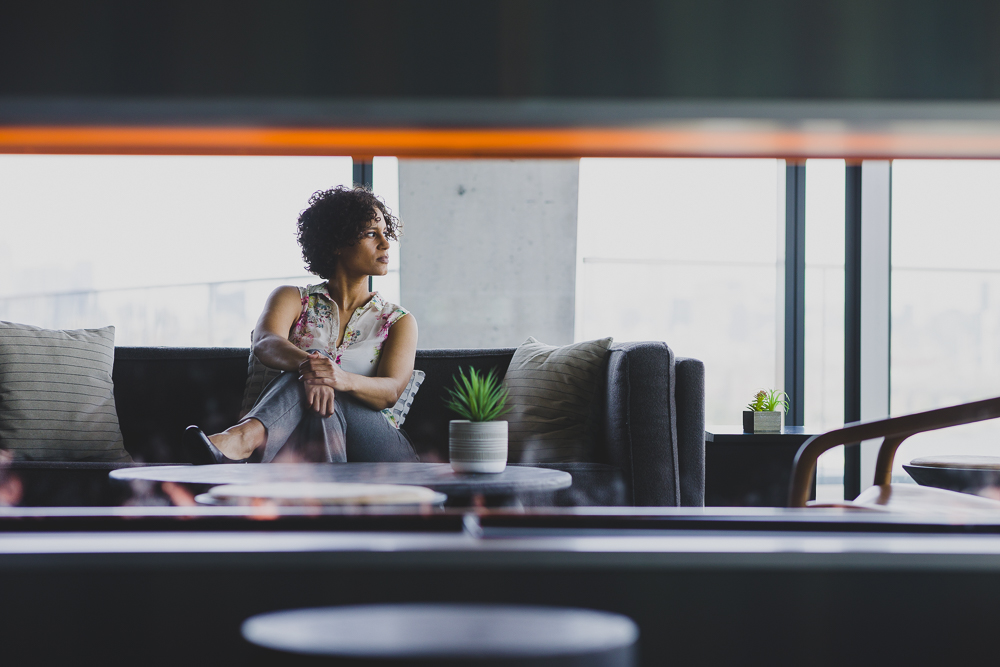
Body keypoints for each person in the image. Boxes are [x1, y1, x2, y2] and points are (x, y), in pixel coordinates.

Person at [185, 185, 419, 464]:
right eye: (371, 234)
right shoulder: (292, 298)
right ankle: (329, 500)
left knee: (320, 380)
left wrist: (337, 378)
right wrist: (312, 365)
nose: (385, 243)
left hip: (381, 449)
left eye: (385, 233)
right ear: (336, 243)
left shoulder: (398, 320)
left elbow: (390, 392)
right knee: (315, 387)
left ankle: (243, 439)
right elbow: (266, 343)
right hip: (304, 445)